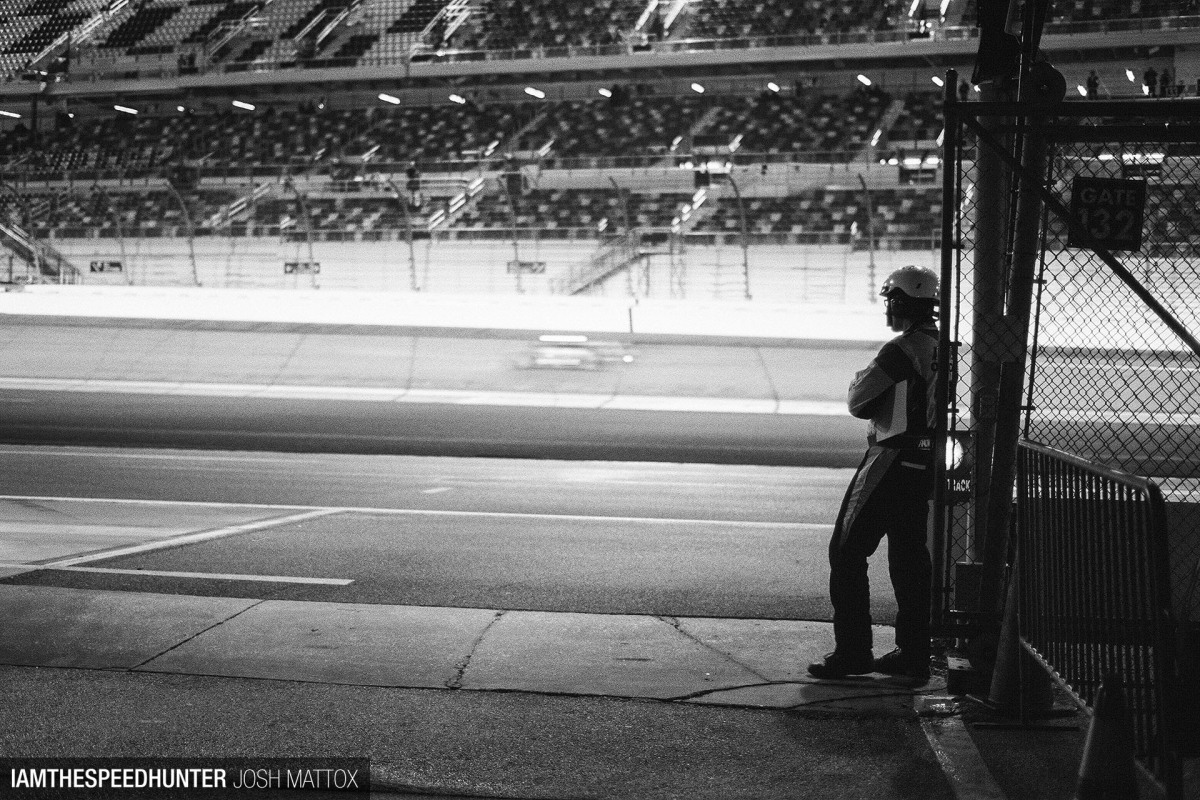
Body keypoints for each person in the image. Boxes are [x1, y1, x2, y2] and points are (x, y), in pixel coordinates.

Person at [808, 265, 939, 684]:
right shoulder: (942, 346)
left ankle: (852, 652)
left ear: (902, 301)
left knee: (846, 552)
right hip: (924, 461)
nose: (888, 307)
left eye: (891, 300)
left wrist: (861, 379)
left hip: (891, 457)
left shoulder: (900, 349)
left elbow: (858, 400)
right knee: (909, 558)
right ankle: (914, 653)